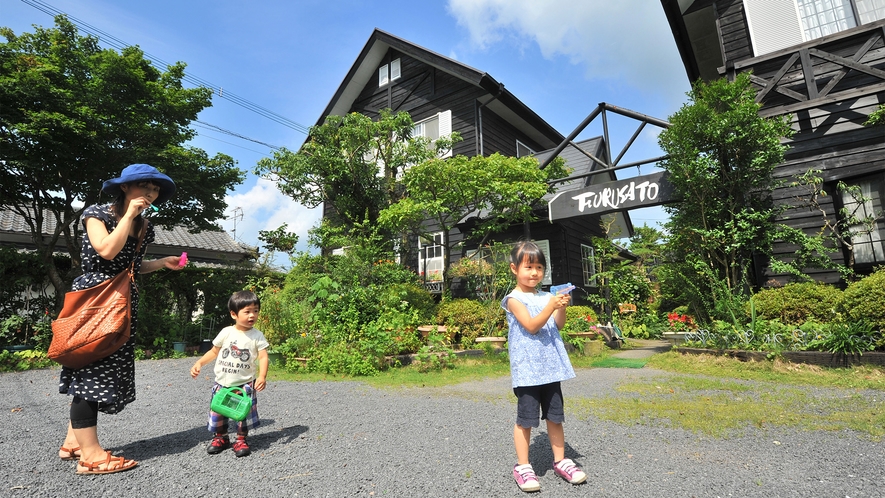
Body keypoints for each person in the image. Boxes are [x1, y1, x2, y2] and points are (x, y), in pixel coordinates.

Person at [58, 163, 185, 475]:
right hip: (93, 300)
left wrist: (161, 263)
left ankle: (74, 442)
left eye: (156, 189)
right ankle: (91, 457)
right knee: (91, 373)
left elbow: (130, 265)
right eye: (145, 185)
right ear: (125, 187)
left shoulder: (144, 226)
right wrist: (128, 216)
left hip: (121, 302)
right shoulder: (96, 214)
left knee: (97, 369)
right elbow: (106, 251)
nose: (151, 193)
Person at [501, 240, 587, 492]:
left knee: (555, 416)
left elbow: (556, 326)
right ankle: (523, 465)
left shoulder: (546, 296)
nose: (535, 272)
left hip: (550, 368)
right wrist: (551, 305)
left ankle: (561, 460)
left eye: (539, 267)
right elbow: (531, 325)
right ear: (514, 269)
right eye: (528, 267)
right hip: (528, 371)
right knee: (525, 419)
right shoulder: (513, 299)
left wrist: (561, 307)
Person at [190, 290, 269, 457]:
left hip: (244, 383)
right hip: (222, 382)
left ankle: (241, 439)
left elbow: (263, 357)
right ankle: (221, 437)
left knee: (241, 414)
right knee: (218, 411)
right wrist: (199, 363)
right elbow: (214, 351)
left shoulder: (257, 335)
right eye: (247, 311)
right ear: (234, 314)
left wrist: (262, 376)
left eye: (255, 311)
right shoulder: (226, 332)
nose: (252, 315)